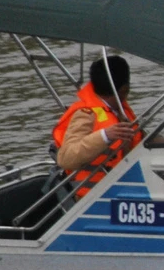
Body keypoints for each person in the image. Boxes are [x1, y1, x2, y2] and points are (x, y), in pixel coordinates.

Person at [54, 55, 143, 195]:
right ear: (125, 89)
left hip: (123, 188)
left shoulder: (121, 112)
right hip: (94, 197)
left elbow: (142, 137)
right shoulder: (86, 114)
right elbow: (66, 157)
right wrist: (105, 135)